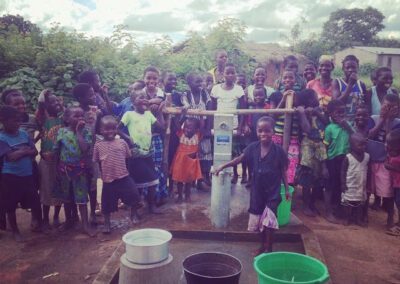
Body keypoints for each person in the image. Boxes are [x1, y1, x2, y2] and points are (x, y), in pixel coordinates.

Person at [214, 116, 289, 254]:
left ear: (273, 132)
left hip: (273, 192)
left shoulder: (279, 151)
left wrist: (287, 188)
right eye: (260, 131)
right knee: (258, 221)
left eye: (267, 131)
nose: (263, 134)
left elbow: (283, 170)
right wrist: (223, 166)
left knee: (269, 223)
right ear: (256, 131)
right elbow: (239, 159)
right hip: (257, 192)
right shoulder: (252, 148)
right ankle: (262, 246)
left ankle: (269, 249)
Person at [120, 89, 165, 214]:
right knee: (136, 186)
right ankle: (134, 212)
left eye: (145, 97)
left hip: (148, 153)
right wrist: (128, 138)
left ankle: (151, 206)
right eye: (140, 97)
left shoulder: (149, 115)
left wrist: (160, 112)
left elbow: (161, 128)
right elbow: (117, 129)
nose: (145, 99)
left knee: (152, 181)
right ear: (133, 102)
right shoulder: (129, 115)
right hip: (135, 155)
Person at [93, 116, 141, 234]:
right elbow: (97, 161)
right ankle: (107, 223)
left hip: (124, 176)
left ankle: (134, 214)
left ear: (116, 129)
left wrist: (127, 172)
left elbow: (128, 157)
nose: (110, 132)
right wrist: (102, 176)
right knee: (106, 204)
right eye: (107, 129)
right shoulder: (98, 145)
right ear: (101, 130)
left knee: (134, 195)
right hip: (108, 180)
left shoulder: (122, 142)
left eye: (113, 129)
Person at [0, 106, 42, 241]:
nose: (17, 123)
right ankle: (15, 231)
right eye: (13, 121)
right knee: (11, 205)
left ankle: (39, 224)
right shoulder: (1, 138)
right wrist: (25, 151)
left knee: (35, 201)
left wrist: (20, 152)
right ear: (3, 121)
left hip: (27, 174)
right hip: (10, 176)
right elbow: (10, 157)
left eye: (18, 121)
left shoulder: (23, 134)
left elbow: (35, 151)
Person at [53, 106, 94, 236]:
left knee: (81, 198)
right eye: (76, 116)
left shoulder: (86, 132)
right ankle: (69, 220)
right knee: (67, 197)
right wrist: (56, 170)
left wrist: (78, 132)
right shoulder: (61, 132)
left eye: (82, 116)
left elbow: (84, 149)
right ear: (66, 118)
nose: (80, 118)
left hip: (80, 171)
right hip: (64, 170)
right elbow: (56, 151)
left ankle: (85, 225)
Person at [367, 94, 400, 228]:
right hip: (371, 158)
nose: (388, 110)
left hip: (385, 162)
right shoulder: (373, 119)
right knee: (368, 189)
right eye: (385, 106)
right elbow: (370, 135)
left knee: (388, 191)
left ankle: (390, 218)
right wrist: (382, 119)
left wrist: (387, 122)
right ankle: (364, 214)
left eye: (392, 108)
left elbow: (389, 141)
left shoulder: (397, 123)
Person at [211, 63, 246, 184]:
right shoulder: (215, 89)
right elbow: (212, 107)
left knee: (233, 152)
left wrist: (240, 127)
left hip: (234, 125)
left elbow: (243, 110)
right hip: (219, 125)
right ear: (223, 74)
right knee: (220, 150)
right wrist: (212, 125)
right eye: (228, 73)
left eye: (233, 73)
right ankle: (218, 174)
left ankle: (235, 174)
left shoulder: (239, 89)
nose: (230, 75)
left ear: (235, 75)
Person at [295, 89, 328, 217]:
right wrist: (304, 114)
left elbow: (327, 123)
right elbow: (307, 130)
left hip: (321, 145)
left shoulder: (320, 110)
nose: (318, 99)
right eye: (315, 97)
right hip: (307, 145)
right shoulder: (302, 111)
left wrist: (317, 113)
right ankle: (306, 205)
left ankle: (313, 204)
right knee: (307, 177)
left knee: (318, 177)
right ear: (309, 100)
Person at [72, 83, 101, 225]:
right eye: (90, 94)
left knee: (93, 185)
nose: (93, 96)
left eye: (93, 93)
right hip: (78, 156)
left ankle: (93, 214)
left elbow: (96, 132)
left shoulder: (94, 112)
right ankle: (78, 217)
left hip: (92, 155)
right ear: (80, 98)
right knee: (80, 186)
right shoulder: (75, 114)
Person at [36, 90, 64, 229]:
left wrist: (60, 104)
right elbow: (41, 105)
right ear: (46, 106)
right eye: (52, 102)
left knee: (59, 189)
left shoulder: (63, 119)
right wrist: (43, 95)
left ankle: (56, 217)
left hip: (60, 160)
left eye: (57, 100)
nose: (56, 103)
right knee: (46, 190)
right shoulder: (43, 119)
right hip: (47, 161)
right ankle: (45, 218)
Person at [269, 70, 302, 184]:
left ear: (295, 80)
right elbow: (273, 115)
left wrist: (294, 98)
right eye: (285, 78)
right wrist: (283, 99)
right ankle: (274, 186)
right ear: (282, 80)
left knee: (291, 162)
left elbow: (300, 111)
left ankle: (288, 189)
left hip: (293, 135)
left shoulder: (299, 95)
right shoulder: (276, 94)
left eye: (291, 78)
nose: (288, 80)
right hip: (278, 134)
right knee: (275, 161)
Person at [182, 72, 213, 191]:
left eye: (201, 81)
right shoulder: (186, 94)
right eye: (197, 82)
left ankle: (203, 179)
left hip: (203, 128)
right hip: (191, 130)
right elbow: (185, 104)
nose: (201, 84)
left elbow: (209, 111)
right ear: (189, 84)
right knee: (193, 154)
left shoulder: (204, 93)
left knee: (205, 153)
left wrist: (208, 129)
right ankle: (191, 180)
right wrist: (185, 106)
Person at [323, 99, 352, 223]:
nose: (340, 115)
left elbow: (356, 137)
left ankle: (339, 209)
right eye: (337, 113)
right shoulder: (329, 128)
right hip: (332, 160)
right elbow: (324, 148)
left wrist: (348, 127)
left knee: (342, 185)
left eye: (343, 112)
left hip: (345, 160)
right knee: (329, 185)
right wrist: (324, 166)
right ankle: (328, 212)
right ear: (330, 114)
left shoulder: (348, 126)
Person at [143, 66, 168, 205]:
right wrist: (152, 103)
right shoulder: (140, 92)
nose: (151, 81)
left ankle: (158, 195)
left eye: (154, 78)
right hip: (142, 136)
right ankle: (147, 198)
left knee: (157, 166)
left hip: (157, 134)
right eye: (148, 78)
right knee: (145, 166)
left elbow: (161, 101)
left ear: (158, 80)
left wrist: (154, 104)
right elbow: (140, 102)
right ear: (143, 79)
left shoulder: (160, 92)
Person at [170, 117, 202, 203]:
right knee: (179, 180)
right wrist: (183, 117)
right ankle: (180, 196)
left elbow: (202, 127)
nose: (187, 129)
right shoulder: (181, 133)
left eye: (190, 128)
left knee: (189, 180)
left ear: (196, 129)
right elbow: (178, 126)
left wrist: (201, 115)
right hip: (180, 161)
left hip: (191, 162)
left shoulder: (197, 135)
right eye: (186, 127)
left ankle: (188, 196)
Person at [340, 133, 369, 227]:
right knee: (348, 203)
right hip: (350, 185)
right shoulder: (348, 157)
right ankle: (346, 218)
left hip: (361, 185)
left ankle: (358, 219)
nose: (363, 147)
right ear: (352, 145)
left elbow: (370, 172)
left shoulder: (367, 157)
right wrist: (343, 184)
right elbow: (343, 171)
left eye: (364, 144)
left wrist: (369, 185)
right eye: (360, 145)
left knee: (360, 204)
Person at [332, 55, 367, 125]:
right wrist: (350, 84)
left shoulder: (361, 84)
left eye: (353, 67)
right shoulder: (337, 82)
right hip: (341, 123)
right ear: (343, 68)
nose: (350, 70)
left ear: (357, 68)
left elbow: (365, 105)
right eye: (347, 67)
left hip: (357, 123)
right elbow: (335, 104)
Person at [385, 129, 400, 235]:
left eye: (391, 146)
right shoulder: (391, 152)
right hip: (396, 184)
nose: (388, 147)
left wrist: (389, 166)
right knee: (398, 203)